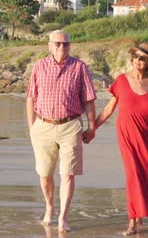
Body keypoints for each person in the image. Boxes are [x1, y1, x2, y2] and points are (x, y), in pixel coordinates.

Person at [84, 43, 148, 235]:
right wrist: (92, 128)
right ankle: (132, 222)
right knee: (134, 176)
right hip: (128, 137)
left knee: (147, 175)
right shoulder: (121, 81)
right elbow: (108, 109)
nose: (139, 60)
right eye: (137, 56)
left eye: (143, 58)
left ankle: (139, 218)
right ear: (132, 58)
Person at [26, 30, 97, 233]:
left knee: (68, 174)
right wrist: (32, 127)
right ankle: (49, 207)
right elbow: (31, 97)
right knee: (45, 173)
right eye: (57, 44)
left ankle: (63, 217)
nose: (61, 47)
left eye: (65, 44)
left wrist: (92, 126)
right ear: (49, 45)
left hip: (70, 126)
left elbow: (89, 99)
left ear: (70, 45)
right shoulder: (39, 66)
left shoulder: (80, 67)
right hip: (43, 126)